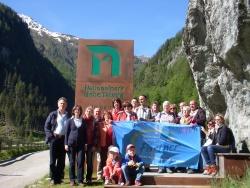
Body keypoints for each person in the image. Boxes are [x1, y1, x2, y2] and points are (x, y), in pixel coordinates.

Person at [44, 97, 70, 185]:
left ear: (66, 105)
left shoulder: (68, 116)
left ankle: (59, 179)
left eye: (64, 103)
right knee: (52, 160)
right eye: (61, 103)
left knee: (61, 161)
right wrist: (50, 136)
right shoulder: (53, 114)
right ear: (58, 104)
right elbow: (46, 127)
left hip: (63, 139)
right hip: (54, 139)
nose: (62, 105)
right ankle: (52, 178)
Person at [65, 105, 87, 186]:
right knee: (72, 162)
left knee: (80, 161)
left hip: (81, 145)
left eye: (78, 110)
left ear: (80, 111)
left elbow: (85, 134)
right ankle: (72, 180)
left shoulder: (83, 121)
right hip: (71, 144)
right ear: (73, 111)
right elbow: (66, 133)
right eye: (76, 110)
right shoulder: (69, 121)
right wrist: (66, 144)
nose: (77, 111)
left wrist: (85, 143)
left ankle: (80, 180)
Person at [155, 101, 176, 173]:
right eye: (165, 106)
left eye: (167, 106)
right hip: (161, 135)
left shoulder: (173, 114)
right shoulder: (159, 114)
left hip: (170, 136)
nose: (166, 107)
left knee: (169, 151)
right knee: (161, 151)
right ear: (163, 107)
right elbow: (156, 124)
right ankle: (161, 167)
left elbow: (175, 124)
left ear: (169, 107)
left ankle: (168, 167)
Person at [83, 106, 97, 185]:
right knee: (80, 161)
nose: (89, 112)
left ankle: (89, 178)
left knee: (90, 162)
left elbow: (96, 134)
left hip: (91, 145)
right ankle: (81, 178)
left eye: (90, 111)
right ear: (85, 112)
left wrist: (94, 145)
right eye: (87, 111)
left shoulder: (94, 121)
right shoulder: (82, 120)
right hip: (82, 145)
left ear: (92, 113)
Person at [97, 111, 113, 180]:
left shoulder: (113, 125)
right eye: (106, 116)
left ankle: (110, 175)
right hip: (103, 145)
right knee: (103, 160)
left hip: (111, 145)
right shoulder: (101, 124)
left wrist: (112, 124)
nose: (107, 118)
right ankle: (103, 176)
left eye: (109, 116)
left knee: (110, 161)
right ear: (104, 117)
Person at [93, 107, 103, 181]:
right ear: (94, 113)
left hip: (99, 143)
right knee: (90, 160)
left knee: (99, 160)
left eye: (99, 112)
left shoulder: (103, 121)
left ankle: (99, 175)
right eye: (96, 112)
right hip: (92, 143)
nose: (97, 113)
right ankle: (88, 175)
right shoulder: (91, 120)